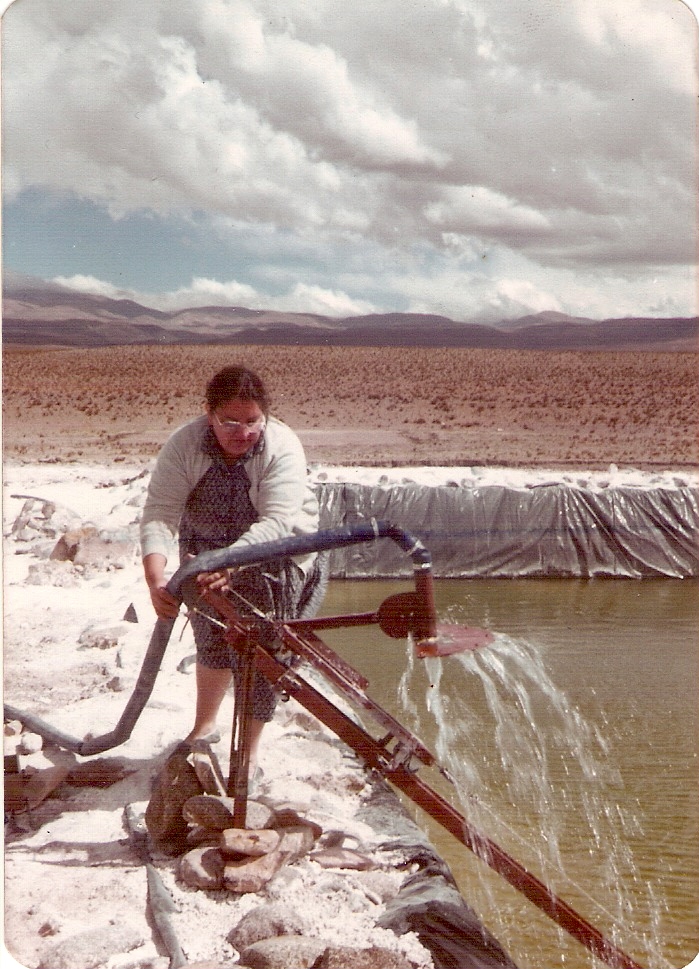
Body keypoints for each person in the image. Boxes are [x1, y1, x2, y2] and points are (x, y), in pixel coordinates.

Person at [140, 365, 325, 774]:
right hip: (206, 552)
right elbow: (160, 512)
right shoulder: (184, 444)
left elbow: (277, 524)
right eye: (230, 422)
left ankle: (249, 753)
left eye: (252, 422)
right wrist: (155, 575)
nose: (242, 433)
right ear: (209, 413)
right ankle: (203, 729)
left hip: (277, 555)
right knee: (212, 635)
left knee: (264, 650)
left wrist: (233, 564)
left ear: (265, 417)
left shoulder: (282, 447)